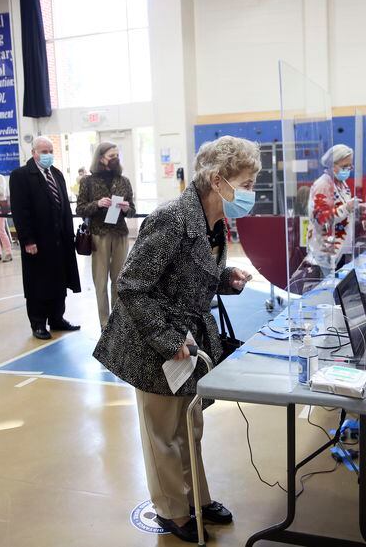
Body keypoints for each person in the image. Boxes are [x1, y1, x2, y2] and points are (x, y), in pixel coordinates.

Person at [94, 135, 258, 543]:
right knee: (162, 433)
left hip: (188, 339)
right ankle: (171, 510)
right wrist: (167, 340)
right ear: (218, 180)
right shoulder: (172, 217)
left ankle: (197, 500)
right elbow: (131, 286)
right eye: (248, 183)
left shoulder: (213, 220)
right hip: (155, 342)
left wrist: (225, 280)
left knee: (191, 426)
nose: (251, 192)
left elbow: (189, 273)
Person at [9, 136, 81, 340]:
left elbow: (64, 206)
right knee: (38, 283)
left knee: (59, 281)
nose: (48, 154)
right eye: (43, 151)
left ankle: (57, 318)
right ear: (33, 152)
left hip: (60, 240)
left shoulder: (56, 174)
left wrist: (70, 235)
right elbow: (20, 212)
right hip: (38, 242)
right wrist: (28, 240)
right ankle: (38, 322)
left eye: (50, 151)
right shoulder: (20, 176)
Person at [76, 142, 136, 329]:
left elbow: (133, 210)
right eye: (112, 156)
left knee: (119, 280)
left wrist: (127, 209)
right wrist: (98, 204)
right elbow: (80, 208)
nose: (115, 159)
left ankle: (118, 322)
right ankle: (105, 323)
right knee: (100, 281)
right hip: (98, 234)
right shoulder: (87, 181)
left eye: (117, 155)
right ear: (101, 158)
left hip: (120, 233)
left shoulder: (124, 180)